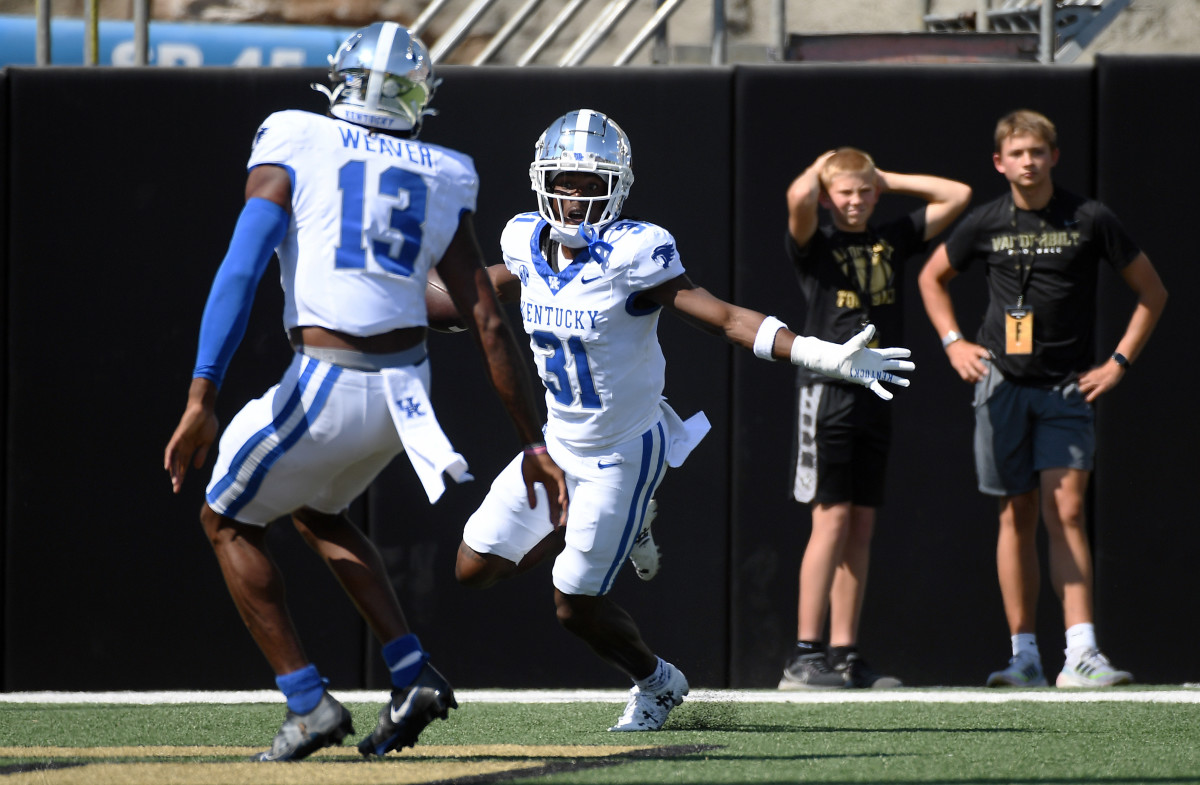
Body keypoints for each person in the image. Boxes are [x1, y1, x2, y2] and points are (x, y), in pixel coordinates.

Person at [429, 109, 915, 732]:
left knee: (573, 604)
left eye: (588, 181)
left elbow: (725, 319)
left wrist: (822, 353)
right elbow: (485, 291)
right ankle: (607, 526)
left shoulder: (636, 251)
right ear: (541, 178)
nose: (574, 194)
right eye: (564, 179)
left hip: (624, 450)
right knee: (474, 570)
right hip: (556, 444)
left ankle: (657, 683)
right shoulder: (523, 240)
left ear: (617, 186)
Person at [162, 22, 567, 761]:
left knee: (224, 518)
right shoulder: (443, 168)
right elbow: (486, 321)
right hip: (405, 395)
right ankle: (412, 671)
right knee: (316, 510)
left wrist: (202, 395)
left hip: (327, 379)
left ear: (339, 81)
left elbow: (242, 268)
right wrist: (534, 443)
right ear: (420, 97)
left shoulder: (294, 134)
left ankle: (307, 701)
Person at [917, 109, 1167, 688]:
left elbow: (1153, 291)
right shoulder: (984, 221)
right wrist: (954, 343)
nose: (1028, 162)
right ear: (1000, 163)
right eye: (1017, 153)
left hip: (1065, 387)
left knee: (1069, 510)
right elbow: (932, 278)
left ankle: (1081, 652)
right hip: (1001, 386)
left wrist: (1119, 363)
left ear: (1054, 157)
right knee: (1017, 514)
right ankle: (1024, 655)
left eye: (1038, 152)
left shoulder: (1090, 217)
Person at [778, 149, 972, 690]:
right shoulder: (816, 242)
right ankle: (803, 655)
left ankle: (843, 654)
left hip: (875, 390)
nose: (856, 201)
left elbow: (957, 195)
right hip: (827, 392)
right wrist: (823, 168)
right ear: (827, 195)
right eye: (845, 192)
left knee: (861, 523)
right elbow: (796, 200)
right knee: (831, 519)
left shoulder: (890, 237)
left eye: (864, 192)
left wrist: (883, 177)